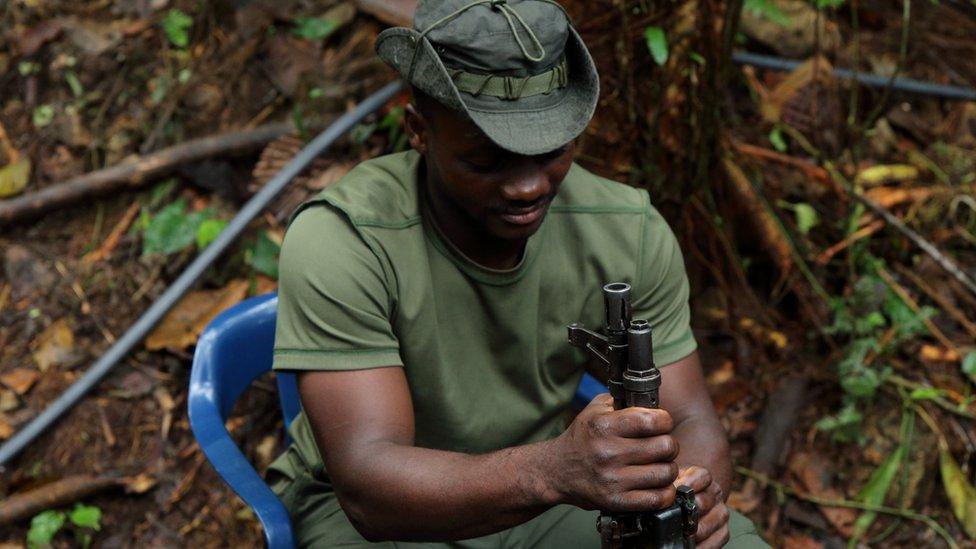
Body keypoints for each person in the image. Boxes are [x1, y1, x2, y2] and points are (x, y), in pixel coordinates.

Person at [267, 0, 768, 547]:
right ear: (418, 130)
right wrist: (551, 471)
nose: (528, 186)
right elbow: (369, 489)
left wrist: (684, 504)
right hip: (384, 514)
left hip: (547, 500)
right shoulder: (346, 240)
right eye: (488, 160)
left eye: (551, 151)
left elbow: (691, 417)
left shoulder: (626, 231)